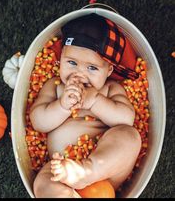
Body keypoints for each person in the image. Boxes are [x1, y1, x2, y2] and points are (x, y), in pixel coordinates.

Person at [30, 13, 142, 198]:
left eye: (92, 68)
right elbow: (38, 122)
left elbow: (126, 119)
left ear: (109, 70)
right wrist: (62, 106)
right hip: (60, 169)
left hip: (104, 173)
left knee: (130, 136)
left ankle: (86, 171)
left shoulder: (111, 89)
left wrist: (95, 101)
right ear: (61, 60)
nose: (80, 73)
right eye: (72, 63)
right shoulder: (56, 86)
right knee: (42, 184)